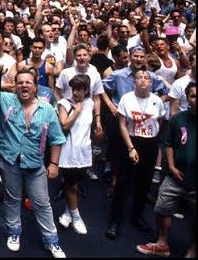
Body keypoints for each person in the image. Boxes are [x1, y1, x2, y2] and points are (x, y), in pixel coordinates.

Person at [0, 68, 67, 258]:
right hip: (9, 160)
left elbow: (57, 139)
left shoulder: (47, 110)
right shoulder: (5, 100)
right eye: (20, 82)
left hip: (35, 164)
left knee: (42, 203)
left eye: (28, 82)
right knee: (12, 199)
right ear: (15, 86)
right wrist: (4, 82)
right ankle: (14, 232)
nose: (24, 85)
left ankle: (51, 241)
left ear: (36, 86)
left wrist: (54, 164)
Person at [136, 82, 195, 257]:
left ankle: (194, 248)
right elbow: (168, 144)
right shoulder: (179, 118)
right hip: (174, 175)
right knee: (163, 209)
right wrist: (170, 165)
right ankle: (162, 243)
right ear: (188, 98)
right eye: (193, 96)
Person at [107, 68, 166, 240]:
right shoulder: (127, 98)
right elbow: (123, 124)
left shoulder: (157, 101)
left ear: (151, 82)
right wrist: (131, 147)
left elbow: (159, 121)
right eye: (139, 77)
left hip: (150, 144)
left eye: (146, 78)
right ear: (134, 81)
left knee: (144, 183)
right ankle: (114, 220)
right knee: (123, 183)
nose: (142, 80)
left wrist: (152, 139)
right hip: (131, 142)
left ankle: (136, 216)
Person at [56, 75, 95, 235]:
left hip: (84, 152)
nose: (75, 93)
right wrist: (77, 111)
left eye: (79, 89)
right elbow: (64, 125)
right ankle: (76, 216)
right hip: (68, 151)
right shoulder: (64, 103)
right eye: (73, 89)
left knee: (75, 185)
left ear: (86, 90)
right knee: (70, 185)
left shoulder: (90, 103)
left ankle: (67, 212)